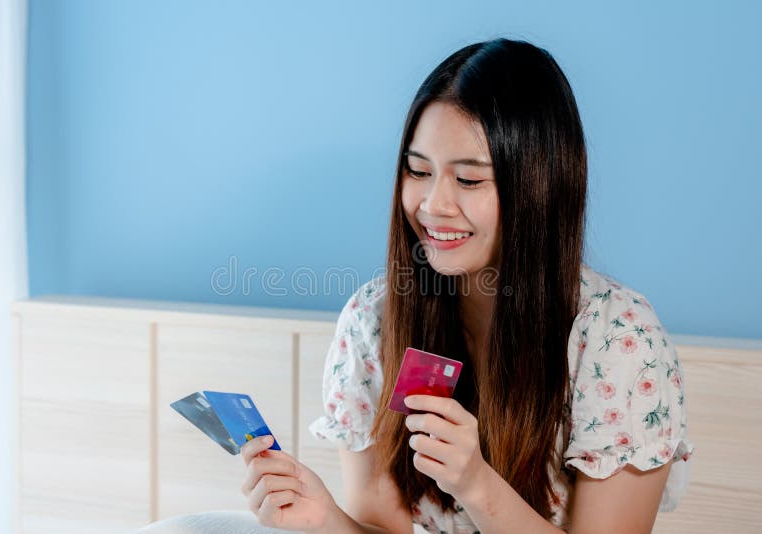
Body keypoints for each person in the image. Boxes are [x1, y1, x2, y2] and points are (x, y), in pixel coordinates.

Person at [238, 37, 694, 534]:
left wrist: (476, 485)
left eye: (470, 180)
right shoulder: (374, 320)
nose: (433, 205)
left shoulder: (620, 341)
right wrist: (324, 517)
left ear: (540, 184)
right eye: (418, 171)